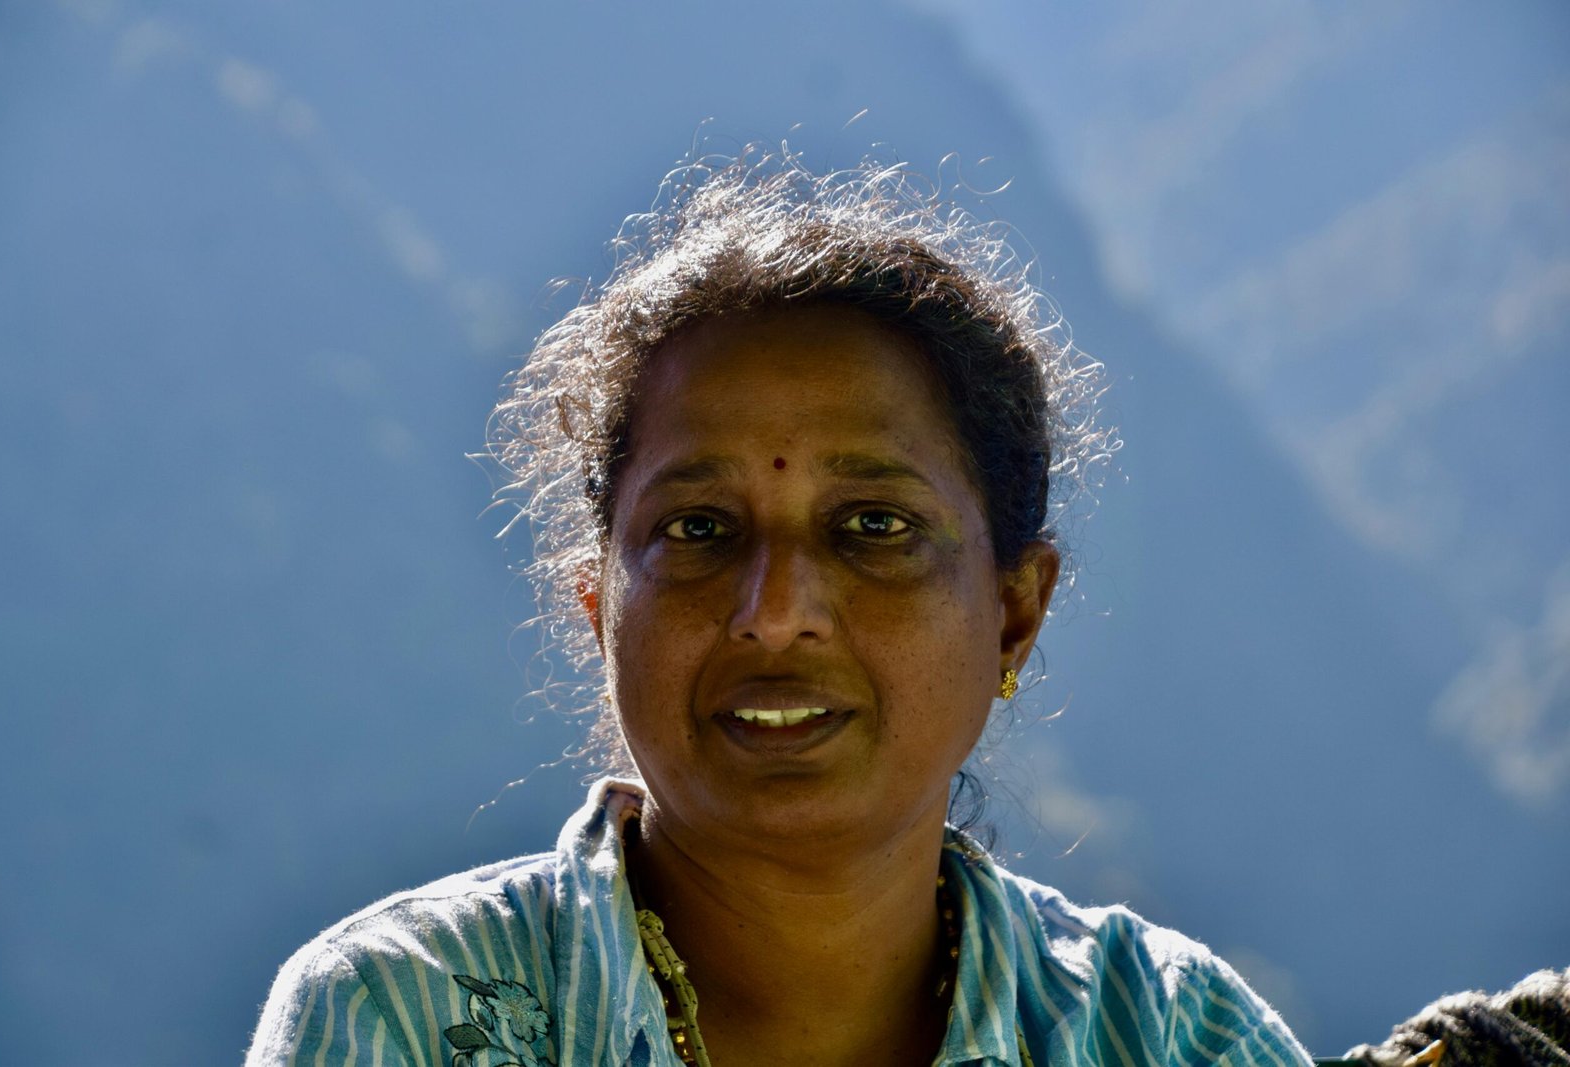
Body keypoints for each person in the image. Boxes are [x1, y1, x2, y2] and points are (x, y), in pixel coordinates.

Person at [246, 149, 1312, 1066]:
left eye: (874, 528)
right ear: (596, 607)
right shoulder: (405, 1014)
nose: (776, 612)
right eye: (700, 529)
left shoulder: (1166, 1029)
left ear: (1015, 611)